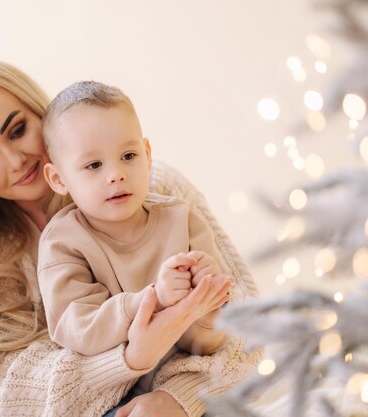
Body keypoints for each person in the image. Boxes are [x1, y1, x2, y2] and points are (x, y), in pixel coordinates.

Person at [0, 57, 259, 417]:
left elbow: (251, 328)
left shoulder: (157, 192)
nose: (15, 160)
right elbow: (19, 401)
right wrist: (132, 357)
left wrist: (178, 399)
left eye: (17, 130)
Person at [38, 80, 230, 369]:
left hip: (183, 376)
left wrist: (208, 308)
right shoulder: (62, 243)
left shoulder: (182, 219)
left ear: (148, 154)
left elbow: (206, 347)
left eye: (128, 156)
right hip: (113, 392)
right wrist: (154, 299)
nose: (116, 174)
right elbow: (79, 331)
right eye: (93, 165)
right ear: (58, 179)